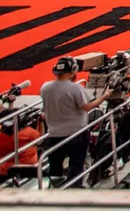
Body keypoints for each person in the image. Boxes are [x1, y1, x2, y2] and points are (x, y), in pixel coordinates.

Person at [40, 57, 112, 186]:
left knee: (55, 166)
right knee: (76, 164)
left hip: (54, 134)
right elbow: (87, 107)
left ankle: (55, 188)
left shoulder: (45, 87)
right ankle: (75, 188)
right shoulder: (75, 88)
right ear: (73, 70)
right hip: (76, 133)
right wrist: (104, 97)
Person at [0, 112, 41, 181]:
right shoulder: (27, 132)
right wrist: (40, 122)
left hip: (4, 170)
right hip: (27, 169)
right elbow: (40, 139)